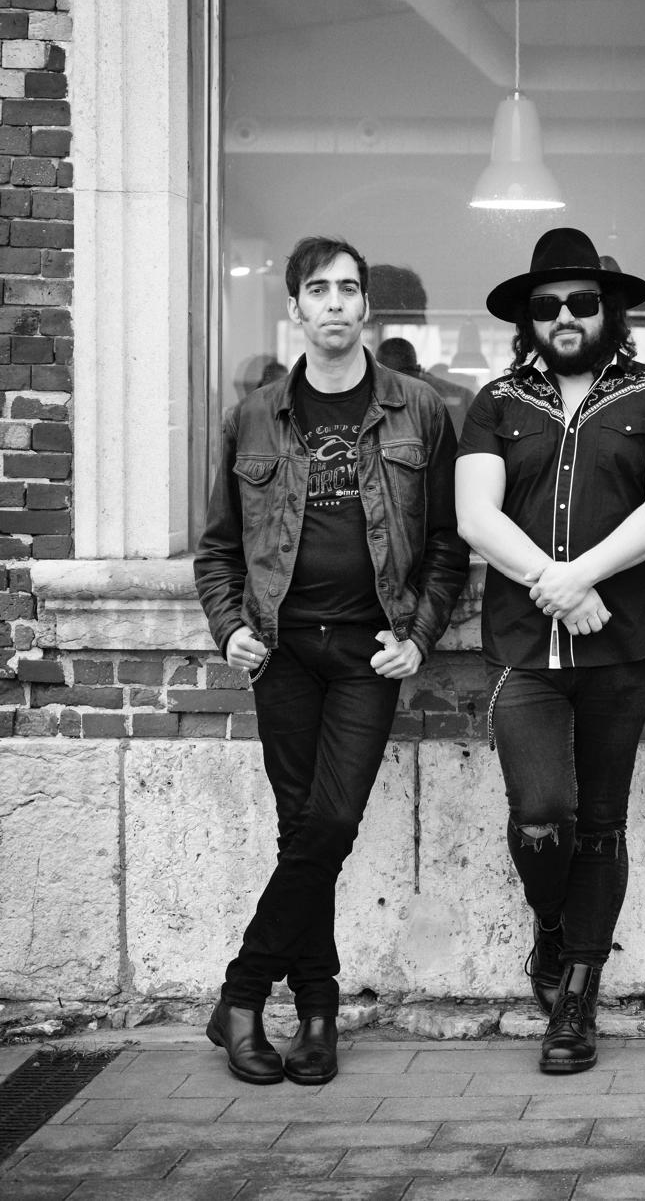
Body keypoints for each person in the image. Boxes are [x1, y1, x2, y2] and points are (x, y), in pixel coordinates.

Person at [194, 235, 468, 1086]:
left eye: (349, 288)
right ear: (297, 308)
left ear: (366, 306)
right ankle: (317, 1013)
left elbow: (448, 543)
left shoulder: (419, 409)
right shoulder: (253, 416)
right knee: (301, 832)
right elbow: (218, 549)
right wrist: (228, 627)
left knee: (331, 824)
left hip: (366, 651)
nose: (337, 303)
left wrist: (419, 635)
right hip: (281, 652)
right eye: (320, 290)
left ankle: (241, 996)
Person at [455, 228, 645, 1074]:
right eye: (547, 305)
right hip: (524, 648)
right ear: (528, 319)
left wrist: (581, 576)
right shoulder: (495, 402)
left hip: (620, 648)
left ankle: (577, 998)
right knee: (541, 812)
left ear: (611, 311)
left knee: (601, 823)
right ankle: (555, 926)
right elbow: (475, 516)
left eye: (582, 302)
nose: (565, 316)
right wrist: (554, 583)